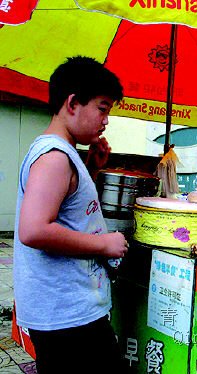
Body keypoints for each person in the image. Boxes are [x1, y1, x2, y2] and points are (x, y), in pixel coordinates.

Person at [13, 56, 128, 373]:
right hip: (65, 315)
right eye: (102, 109)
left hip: (67, 310)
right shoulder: (54, 157)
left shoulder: (63, 154)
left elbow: (66, 208)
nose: (106, 120)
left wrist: (91, 167)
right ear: (73, 103)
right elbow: (34, 230)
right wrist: (104, 245)